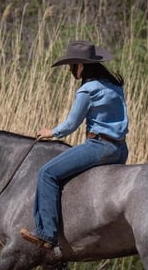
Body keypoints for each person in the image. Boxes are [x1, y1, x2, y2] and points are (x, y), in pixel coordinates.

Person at [20, 40, 129, 250]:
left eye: (72, 66)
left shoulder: (87, 90)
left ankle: (46, 233)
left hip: (100, 147)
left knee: (47, 173)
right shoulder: (114, 85)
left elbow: (71, 125)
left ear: (80, 66)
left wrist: (50, 132)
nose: (71, 70)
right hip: (120, 150)